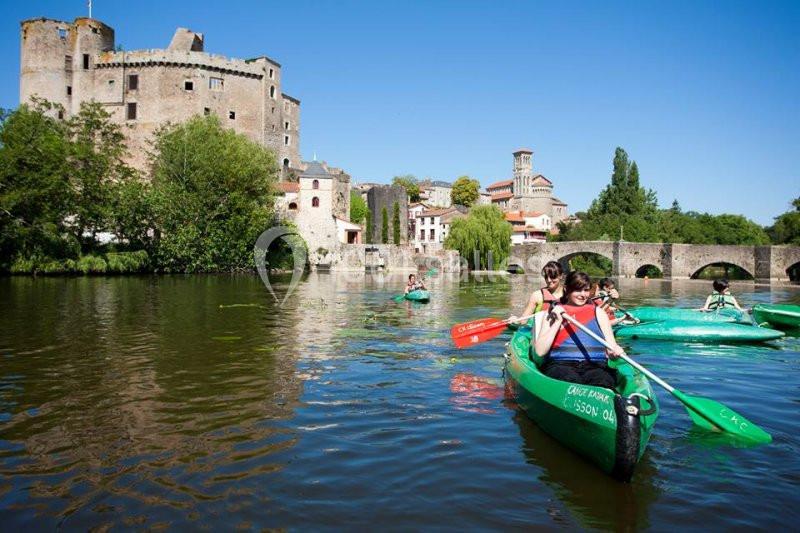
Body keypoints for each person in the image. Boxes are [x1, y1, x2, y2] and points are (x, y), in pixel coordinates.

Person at [531, 271, 625, 389]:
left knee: (603, 380)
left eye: (586, 290)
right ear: (567, 289)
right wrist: (557, 322)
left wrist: (615, 352)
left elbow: (611, 349)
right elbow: (540, 351)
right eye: (577, 290)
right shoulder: (554, 312)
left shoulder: (599, 313)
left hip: (595, 365)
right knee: (570, 380)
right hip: (561, 365)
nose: (583, 295)